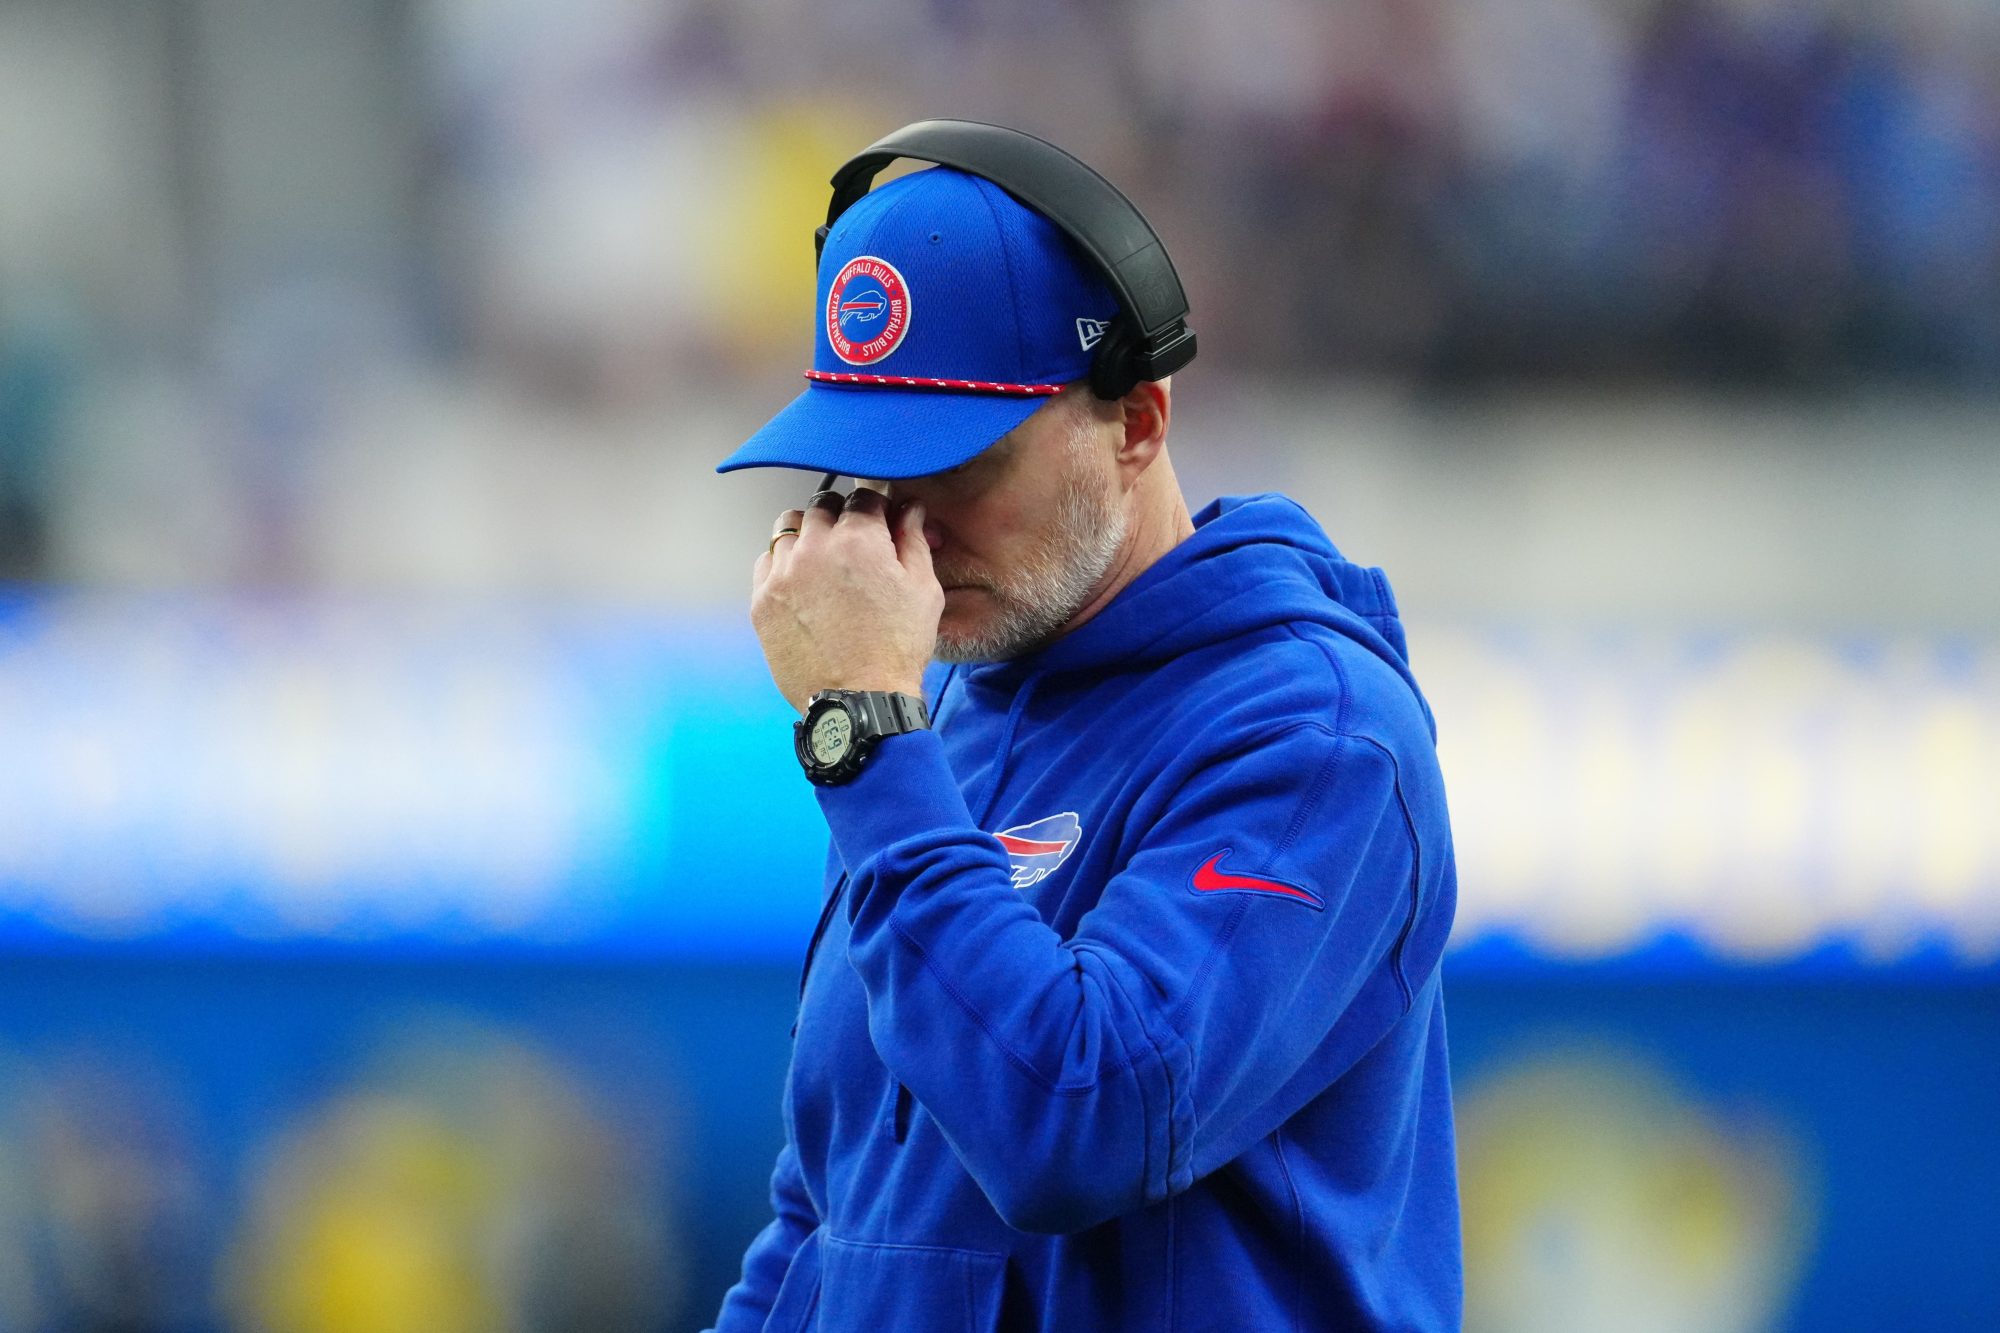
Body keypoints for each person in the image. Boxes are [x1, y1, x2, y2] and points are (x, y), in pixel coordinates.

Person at [706, 145, 1460, 1331]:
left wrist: (866, 734)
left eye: (956, 461)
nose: (904, 525)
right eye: (867, 461)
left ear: (1138, 421)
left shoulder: (1317, 735)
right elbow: (827, 1215)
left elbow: (1080, 1122)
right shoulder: (930, 715)